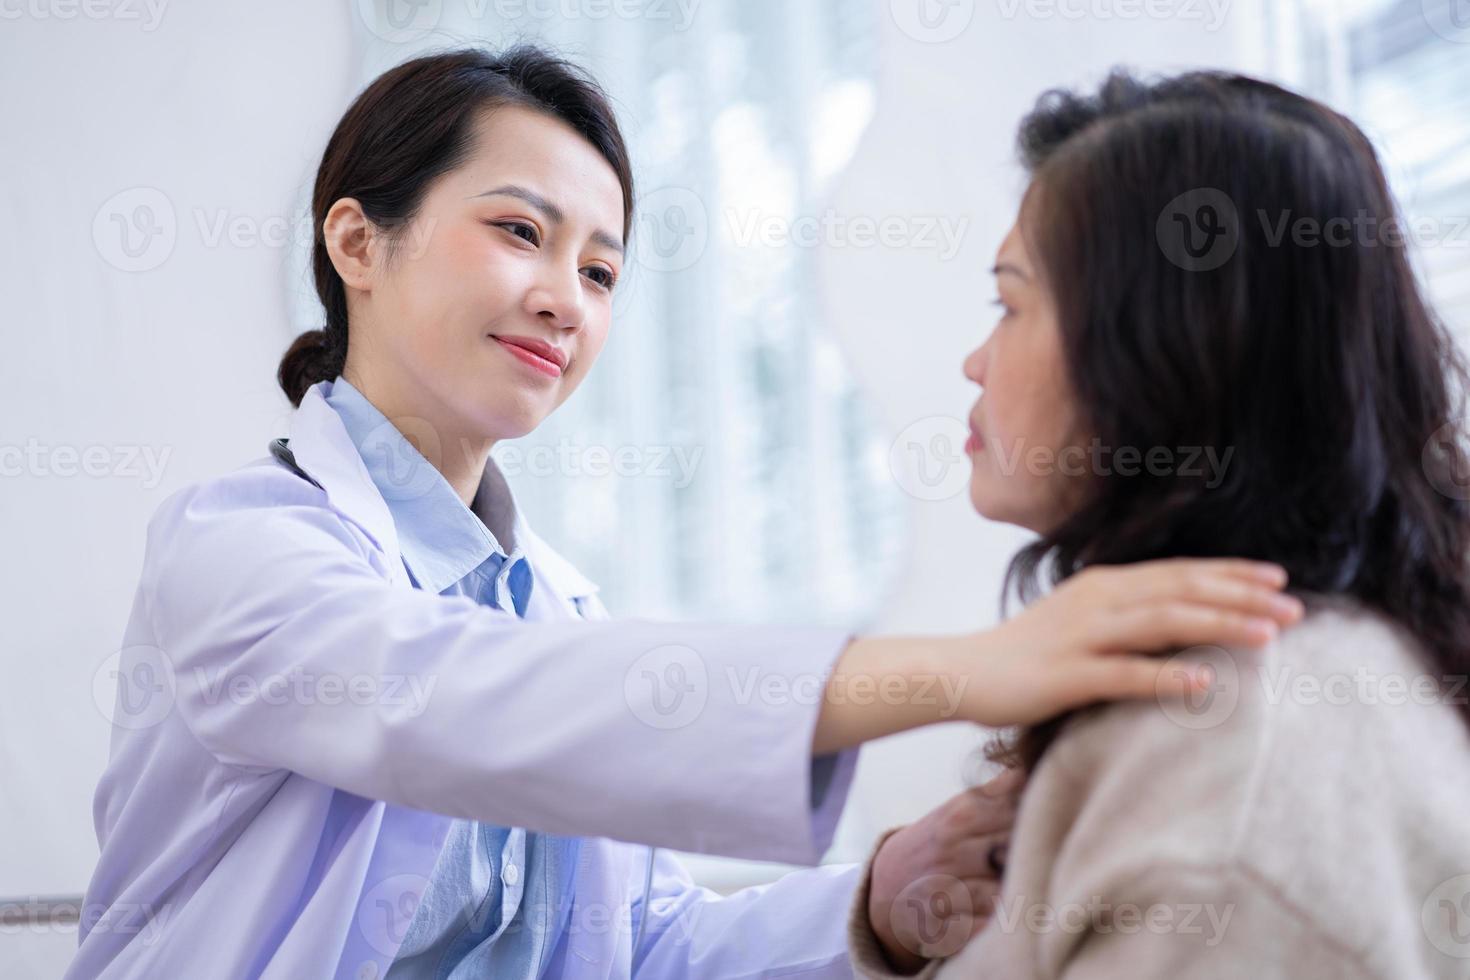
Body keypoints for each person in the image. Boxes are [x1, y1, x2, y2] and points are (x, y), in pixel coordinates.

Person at [70, 49, 1301, 979]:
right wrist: (961, 672)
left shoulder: (553, 603)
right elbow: (442, 695)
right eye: (519, 232)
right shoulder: (237, 547)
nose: (565, 299)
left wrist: (878, 894)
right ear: (357, 240)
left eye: (601, 270)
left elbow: (647, 943)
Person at [848, 69, 1470, 979]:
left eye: (1009, 303)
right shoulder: (1259, 693)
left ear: (1167, 348)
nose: (976, 361)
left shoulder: (1236, 764)